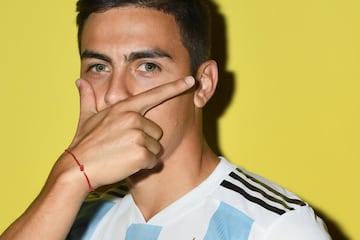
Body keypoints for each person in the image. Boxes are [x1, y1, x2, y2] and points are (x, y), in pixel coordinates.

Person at [1, 0, 331, 239]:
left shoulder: (275, 228)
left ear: (204, 84)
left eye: (147, 66)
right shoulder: (71, 216)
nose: (115, 94)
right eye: (99, 67)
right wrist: (68, 178)